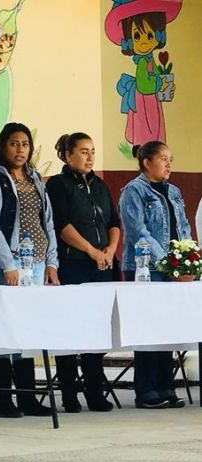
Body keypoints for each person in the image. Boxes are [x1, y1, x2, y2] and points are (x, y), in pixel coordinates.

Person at [0, 122, 59, 418]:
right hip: (8, 264)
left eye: (25, 144)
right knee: (5, 327)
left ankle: (27, 397)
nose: (20, 149)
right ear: (3, 146)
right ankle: (3, 399)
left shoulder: (35, 178)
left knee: (25, 329)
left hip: (36, 263)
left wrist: (52, 263)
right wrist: (7, 264)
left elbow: (47, 221)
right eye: (14, 143)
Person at [46, 133, 119, 413]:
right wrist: (91, 250)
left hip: (102, 265)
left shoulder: (99, 184)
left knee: (96, 330)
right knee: (69, 329)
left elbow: (112, 220)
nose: (90, 157)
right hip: (74, 264)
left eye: (92, 152)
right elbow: (61, 225)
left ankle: (94, 391)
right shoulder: (58, 184)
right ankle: (68, 393)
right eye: (84, 152)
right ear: (67, 154)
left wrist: (110, 250)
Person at [119, 140, 190, 409]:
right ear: (146, 162)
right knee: (148, 328)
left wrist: (187, 261)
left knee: (167, 328)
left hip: (174, 271)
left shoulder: (174, 192)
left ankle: (166, 386)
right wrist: (170, 263)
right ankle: (146, 389)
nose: (169, 164)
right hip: (145, 268)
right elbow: (139, 232)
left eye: (170, 158)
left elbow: (182, 228)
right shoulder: (134, 191)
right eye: (163, 158)